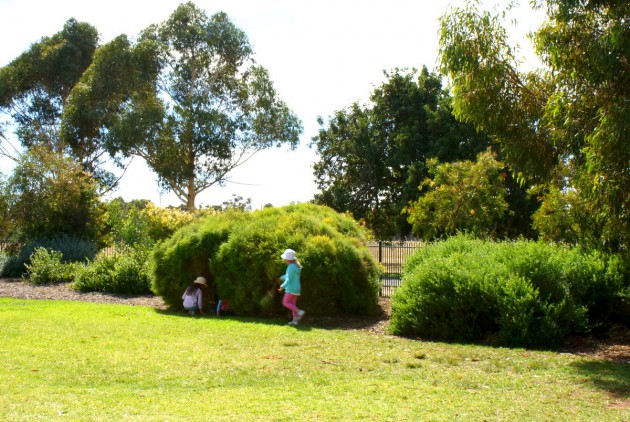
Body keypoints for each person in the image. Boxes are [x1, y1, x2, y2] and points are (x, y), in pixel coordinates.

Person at [278, 248, 305, 325]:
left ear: (288, 259)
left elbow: (289, 279)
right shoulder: (296, 266)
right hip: (296, 289)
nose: (284, 260)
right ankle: (295, 321)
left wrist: (282, 286)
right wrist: (283, 277)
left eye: (285, 258)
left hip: (291, 288)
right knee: (293, 305)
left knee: (285, 302)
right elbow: (290, 276)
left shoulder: (290, 267)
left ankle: (299, 312)